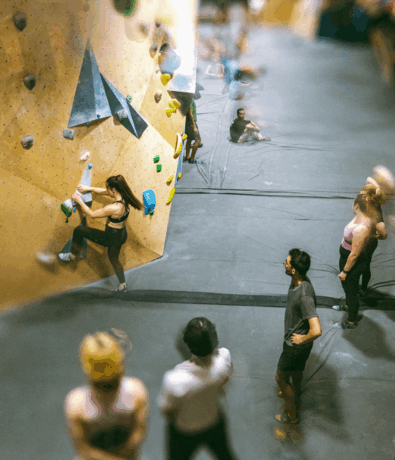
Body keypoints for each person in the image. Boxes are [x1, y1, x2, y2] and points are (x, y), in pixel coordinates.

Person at [158, 317, 238, 460]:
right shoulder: (223, 359)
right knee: (225, 455)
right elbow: (226, 380)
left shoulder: (175, 379)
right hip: (214, 422)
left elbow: (166, 410)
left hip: (184, 430)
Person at [64, 332, 149, 460]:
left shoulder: (76, 404)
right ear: (122, 366)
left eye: (111, 384)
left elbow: (83, 449)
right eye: (102, 385)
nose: (108, 393)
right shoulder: (136, 392)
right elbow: (137, 434)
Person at [58, 175, 143, 293]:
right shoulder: (124, 196)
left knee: (79, 231)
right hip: (122, 234)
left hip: (110, 238)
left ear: (113, 190)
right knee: (114, 259)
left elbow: (92, 214)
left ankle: (73, 256)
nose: (106, 191)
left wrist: (78, 201)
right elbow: (104, 192)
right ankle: (123, 285)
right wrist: (88, 189)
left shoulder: (114, 208)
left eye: (108, 189)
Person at [276, 249, 322, 425]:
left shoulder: (304, 295)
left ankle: (292, 415)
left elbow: (317, 330)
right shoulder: (300, 281)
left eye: (287, 262)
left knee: (280, 378)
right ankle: (296, 391)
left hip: (294, 346)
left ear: (294, 270)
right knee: (297, 370)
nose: (284, 264)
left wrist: (301, 339)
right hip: (300, 347)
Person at [333, 186, 386, 328]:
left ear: (356, 206)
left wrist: (345, 271)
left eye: (353, 203)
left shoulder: (361, 228)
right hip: (347, 258)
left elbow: (355, 254)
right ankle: (348, 305)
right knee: (348, 288)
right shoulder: (361, 216)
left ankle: (351, 321)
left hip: (352, 262)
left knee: (351, 291)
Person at [184, 99, 201, 164]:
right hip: (191, 124)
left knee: (189, 139)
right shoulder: (190, 100)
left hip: (187, 124)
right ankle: (192, 159)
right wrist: (194, 126)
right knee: (198, 140)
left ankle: (187, 157)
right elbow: (190, 113)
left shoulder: (187, 99)